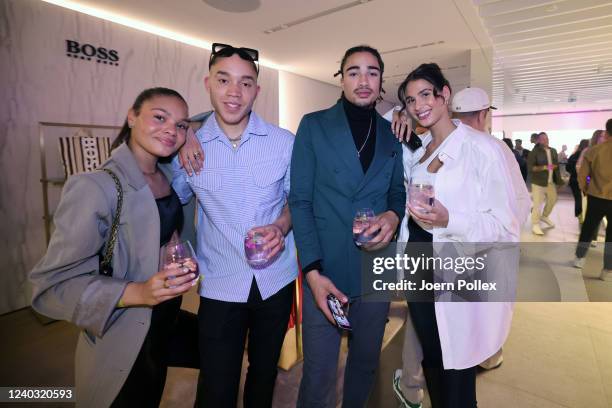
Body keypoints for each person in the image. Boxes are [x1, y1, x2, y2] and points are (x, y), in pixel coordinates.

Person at [29, 88, 200, 407]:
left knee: (218, 343)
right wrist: (138, 292)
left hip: (166, 318)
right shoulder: (95, 186)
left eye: (180, 125)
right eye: (159, 117)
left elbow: (217, 116)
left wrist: (189, 135)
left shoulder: (164, 174)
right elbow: (50, 288)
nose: (171, 130)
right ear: (132, 116)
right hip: (125, 328)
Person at [172, 43, 297, 407]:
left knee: (264, 373)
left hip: (275, 281)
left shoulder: (282, 143)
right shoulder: (187, 148)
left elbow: (296, 202)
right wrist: (187, 129)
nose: (234, 92)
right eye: (224, 80)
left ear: (257, 90)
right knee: (216, 381)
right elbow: (172, 205)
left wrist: (282, 226)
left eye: (245, 83)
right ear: (208, 83)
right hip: (220, 283)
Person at [390, 85, 528, 407]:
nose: (420, 105)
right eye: (411, 100)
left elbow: (506, 224)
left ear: (445, 97)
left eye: (426, 95)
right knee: (435, 358)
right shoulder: (423, 146)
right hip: (421, 269)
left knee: (458, 363)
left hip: (462, 270)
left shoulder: (487, 150)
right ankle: (414, 390)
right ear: (485, 113)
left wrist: (451, 219)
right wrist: (397, 115)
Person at [289, 45, 405, 407]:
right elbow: (300, 202)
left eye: (372, 72)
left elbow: (397, 193)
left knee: (366, 363)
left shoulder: (392, 134)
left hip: (376, 268)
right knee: (319, 371)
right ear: (341, 79)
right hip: (325, 268)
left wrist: (392, 216)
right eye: (353, 72)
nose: (363, 80)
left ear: (382, 80)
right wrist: (311, 270)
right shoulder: (314, 125)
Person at [573, 119, 612, 280]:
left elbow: (582, 173)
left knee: (588, 227)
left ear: (606, 132)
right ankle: (608, 270)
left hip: (596, 196)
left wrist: (585, 188)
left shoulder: (594, 150)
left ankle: (580, 258)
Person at [527, 132, 563, 235]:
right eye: (542, 138)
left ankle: (545, 216)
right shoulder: (534, 152)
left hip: (550, 182)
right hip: (538, 182)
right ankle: (535, 224)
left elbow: (556, 167)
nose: (545, 140)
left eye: (546, 138)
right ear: (538, 140)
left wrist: (559, 181)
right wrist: (544, 167)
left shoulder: (553, 151)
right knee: (538, 204)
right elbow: (530, 168)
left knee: (553, 199)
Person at [566, 139, 590, 221]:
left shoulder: (573, 156)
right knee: (583, 198)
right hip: (584, 181)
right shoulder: (587, 155)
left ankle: (580, 215)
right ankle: (582, 215)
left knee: (578, 198)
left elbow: (567, 168)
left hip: (573, 181)